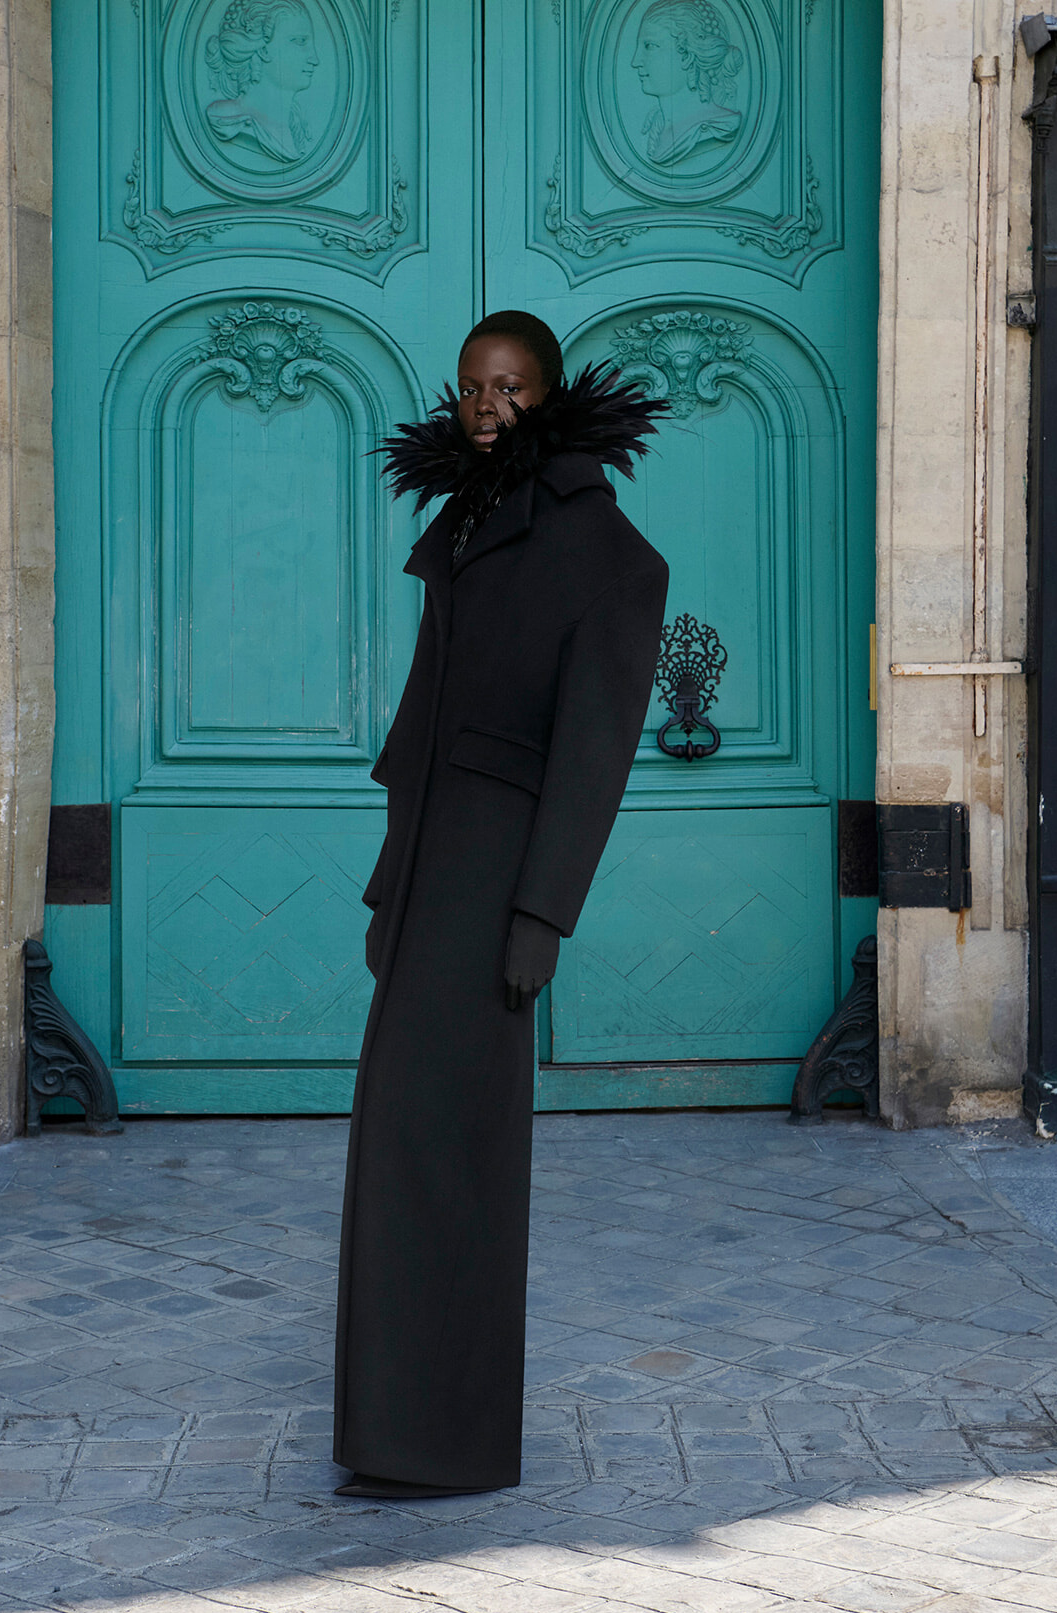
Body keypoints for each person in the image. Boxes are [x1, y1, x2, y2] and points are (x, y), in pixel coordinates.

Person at [332, 311, 670, 1500]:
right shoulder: (468, 524)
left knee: (454, 1151)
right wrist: (390, 883)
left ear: (551, 393)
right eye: (474, 386)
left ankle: (446, 1442)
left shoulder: (608, 555)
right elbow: (421, 726)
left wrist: (541, 918)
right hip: (429, 871)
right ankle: (392, 1431)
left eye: (512, 387)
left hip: (497, 886)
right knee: (400, 1142)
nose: (488, 407)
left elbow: (593, 758)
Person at [204, 0, 320, 165]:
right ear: (263, 49)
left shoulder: (297, 130)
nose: (314, 59)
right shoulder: (226, 120)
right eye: (300, 41)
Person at [631, 0, 743, 168]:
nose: (635, 61)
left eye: (650, 46)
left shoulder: (721, 126)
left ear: (688, 55)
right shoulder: (657, 127)